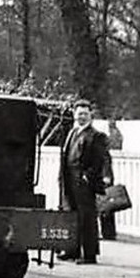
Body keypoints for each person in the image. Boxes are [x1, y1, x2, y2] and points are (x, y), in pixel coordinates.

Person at [58, 99, 114, 265]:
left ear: (91, 115)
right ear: (74, 115)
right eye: (78, 113)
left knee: (87, 217)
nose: (81, 117)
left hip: (83, 181)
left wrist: (87, 177)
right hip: (69, 178)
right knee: (71, 215)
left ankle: (89, 254)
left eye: (84, 113)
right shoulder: (72, 133)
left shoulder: (96, 136)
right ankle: (71, 250)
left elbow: (99, 161)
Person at [100, 117, 125, 240]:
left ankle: (109, 233)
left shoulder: (103, 152)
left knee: (106, 206)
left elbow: (106, 164)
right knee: (104, 206)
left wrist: (106, 177)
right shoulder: (101, 151)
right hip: (101, 178)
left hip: (104, 179)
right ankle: (107, 232)